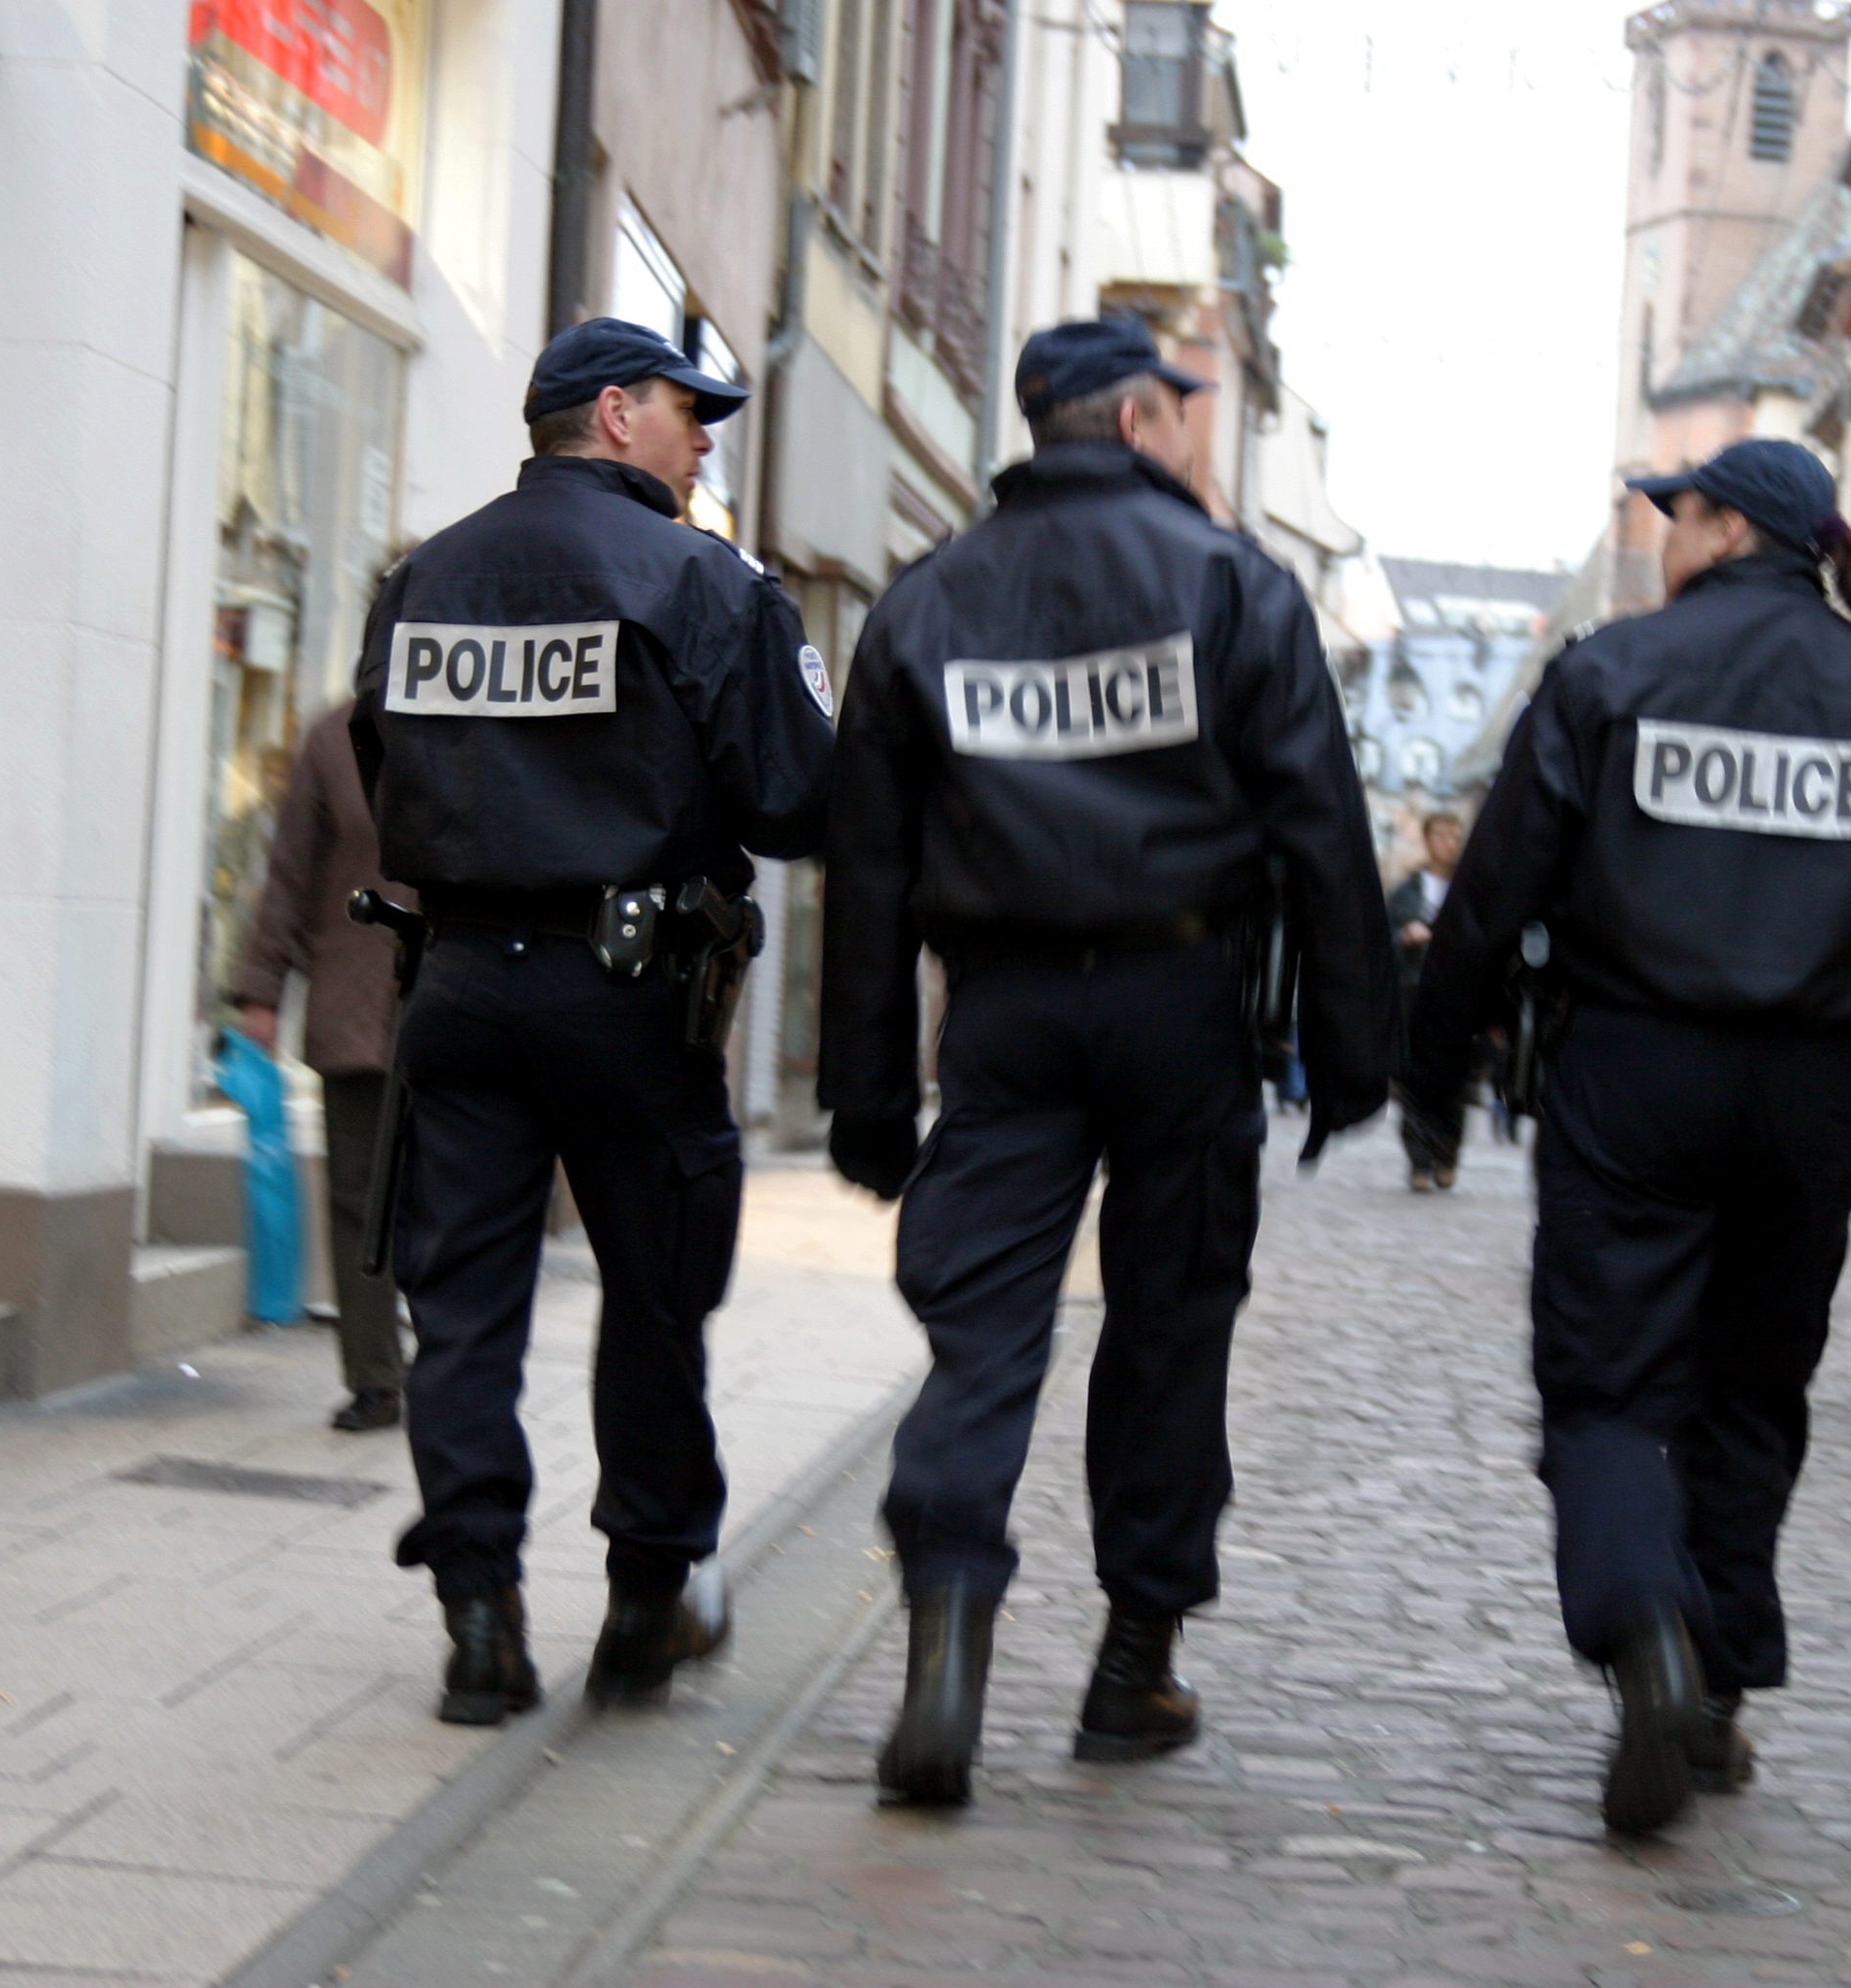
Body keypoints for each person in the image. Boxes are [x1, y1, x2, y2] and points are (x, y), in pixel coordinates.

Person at [819, 315, 1395, 1806]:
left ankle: (946, 1650)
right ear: (1136, 420)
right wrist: (1353, 1050)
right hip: (1183, 1002)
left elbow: (866, 875)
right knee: (1170, 1326)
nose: (1197, 436)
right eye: (1184, 413)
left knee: (985, 1335)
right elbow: (1322, 831)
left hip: (1002, 1014)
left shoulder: (926, 600)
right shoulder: (1233, 586)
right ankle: (1132, 1666)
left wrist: (872, 1095)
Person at [1402, 437, 1851, 1838]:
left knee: (1609, 1386)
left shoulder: (1612, 675)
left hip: (1634, 1071)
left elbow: (1491, 900)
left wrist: (1432, 1074)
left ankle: (1643, 1633)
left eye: (1678, 512)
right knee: (1750, 1391)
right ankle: (1717, 1687)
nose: (1663, 532)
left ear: (1729, 528)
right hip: (1814, 1096)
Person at [350, 318, 834, 1725]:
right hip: (630, 997)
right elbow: (802, 800)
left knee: (465, 1316)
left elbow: (382, 762)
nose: (705, 438)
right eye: (690, 413)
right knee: (657, 1296)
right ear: (614, 413)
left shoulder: (420, 578)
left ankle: (480, 1618)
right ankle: (646, 1595)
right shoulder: (701, 581)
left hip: (459, 990)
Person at [233, 698, 413, 1433]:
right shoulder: (333, 739)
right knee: (359, 1199)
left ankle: (456, 1366)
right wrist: (260, 988)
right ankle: (375, 1374)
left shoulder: (482, 727)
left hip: (463, 1005)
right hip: (358, 1004)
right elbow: (290, 873)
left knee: (454, 1200)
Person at [1388, 811, 1468, 1189]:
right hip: (1415, 998)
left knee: (1454, 1083)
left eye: (1455, 836)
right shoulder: (1408, 891)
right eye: (1442, 836)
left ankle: (1447, 1155)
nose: (1449, 844)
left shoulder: (1471, 889)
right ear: (1427, 839)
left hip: (1457, 999)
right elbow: (1384, 940)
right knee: (1415, 1082)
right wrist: (1406, 937)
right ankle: (1419, 1162)